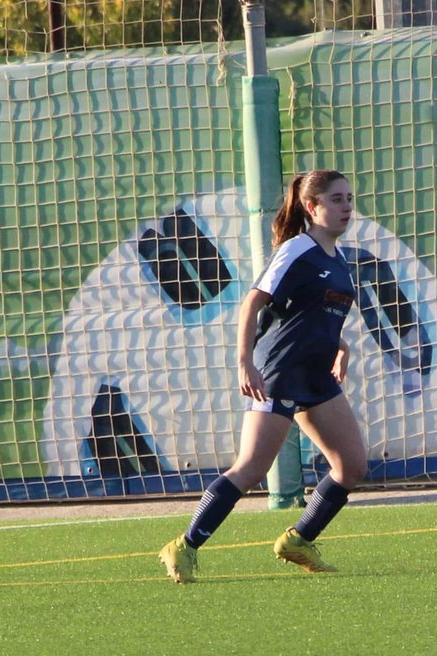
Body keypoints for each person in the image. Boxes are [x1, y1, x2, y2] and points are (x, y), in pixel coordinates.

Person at [159, 169, 367, 583]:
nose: (347, 207)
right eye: (337, 200)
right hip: (280, 371)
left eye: (349, 198)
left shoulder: (338, 258)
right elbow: (253, 303)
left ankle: (298, 540)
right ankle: (183, 545)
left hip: (316, 378)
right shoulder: (297, 249)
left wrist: (342, 347)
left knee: (351, 467)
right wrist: (244, 362)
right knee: (251, 469)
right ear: (312, 207)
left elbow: (313, 315)